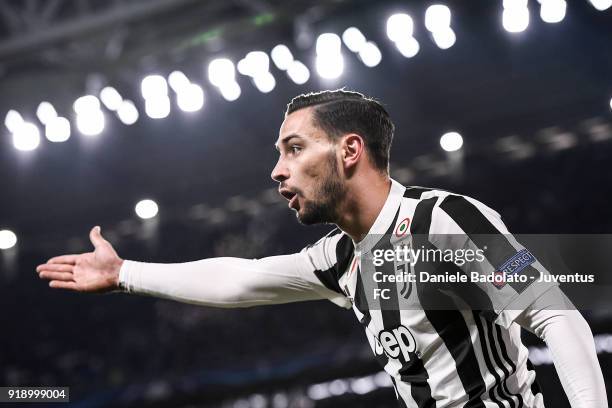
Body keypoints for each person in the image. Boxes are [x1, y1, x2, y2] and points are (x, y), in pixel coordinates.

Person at [37, 90, 607, 407]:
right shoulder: (340, 257)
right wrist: (127, 272)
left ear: (349, 150)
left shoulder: (446, 220)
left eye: (293, 149)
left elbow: (558, 316)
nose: (277, 171)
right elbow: (240, 280)